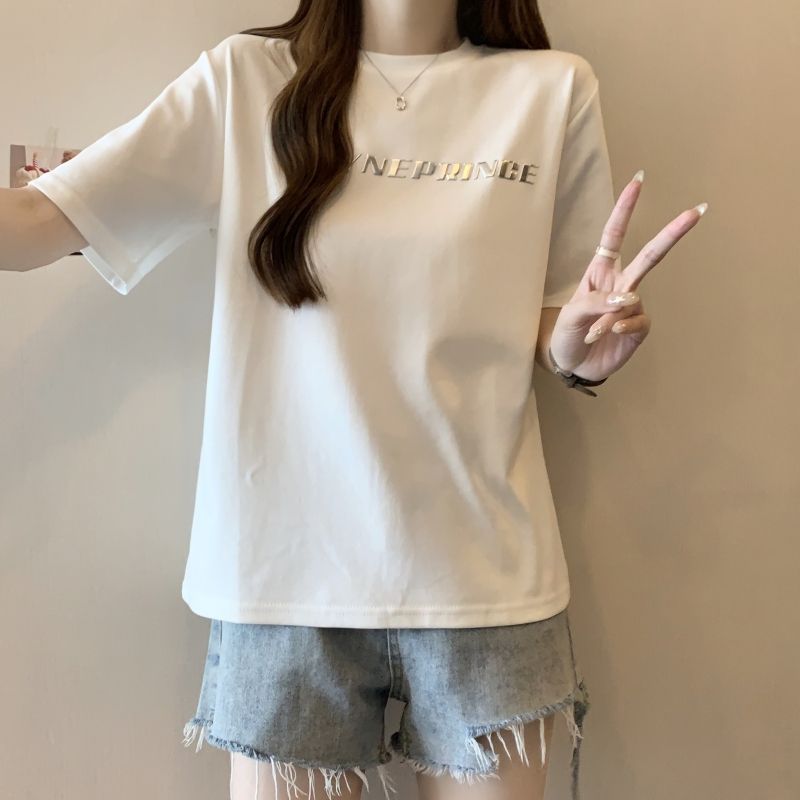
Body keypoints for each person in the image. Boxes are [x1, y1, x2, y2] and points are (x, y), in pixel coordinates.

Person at [0, 1, 707, 799]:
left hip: (485, 576)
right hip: (282, 581)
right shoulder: (246, 80)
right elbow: (40, 217)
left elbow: (558, 311)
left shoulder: (551, 90)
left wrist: (574, 351)